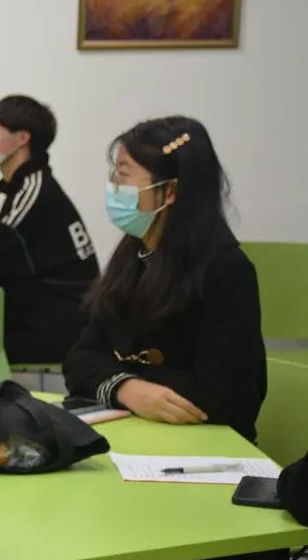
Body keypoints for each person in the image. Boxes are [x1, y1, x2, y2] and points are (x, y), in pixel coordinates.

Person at [64, 116, 265, 441]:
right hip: (136, 434)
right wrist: (128, 389)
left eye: (124, 175)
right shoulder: (133, 254)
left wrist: (125, 378)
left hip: (206, 447)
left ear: (169, 190)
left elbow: (227, 396)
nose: (114, 185)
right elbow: (80, 359)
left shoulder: (227, 271)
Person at [0, 95, 99, 364]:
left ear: (22, 138)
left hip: (56, 329)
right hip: (52, 322)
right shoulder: (29, 185)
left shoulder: (34, 190)